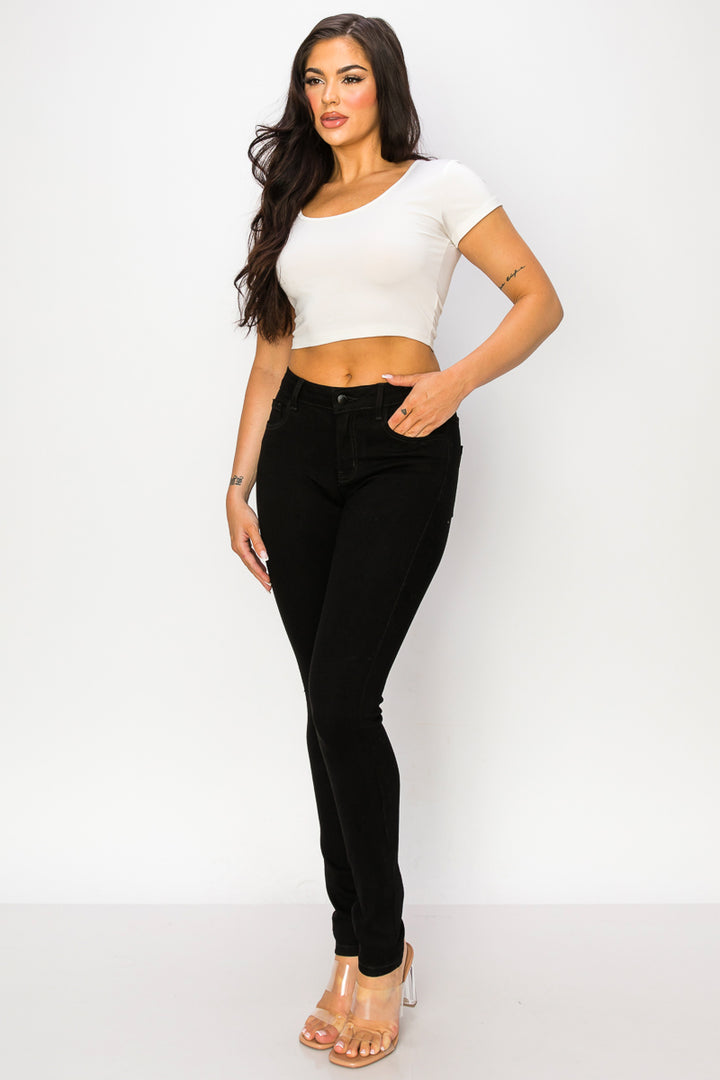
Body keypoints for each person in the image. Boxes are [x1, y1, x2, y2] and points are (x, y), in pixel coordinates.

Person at [227, 12, 563, 1069]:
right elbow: (271, 356)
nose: (330, 98)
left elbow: (539, 299)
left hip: (400, 442)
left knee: (342, 700)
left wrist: (452, 382)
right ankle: (352, 941)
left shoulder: (440, 185)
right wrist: (238, 481)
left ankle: (381, 956)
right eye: (314, 80)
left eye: (350, 78)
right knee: (325, 711)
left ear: (385, 87)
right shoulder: (294, 203)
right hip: (295, 451)